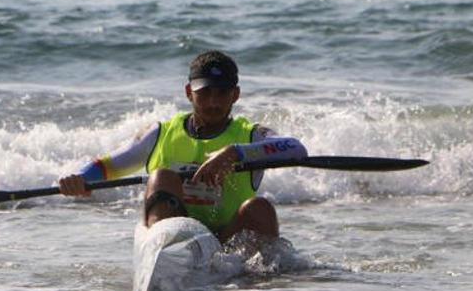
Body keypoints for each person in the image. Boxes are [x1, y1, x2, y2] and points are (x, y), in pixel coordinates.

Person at [58, 51, 308, 244]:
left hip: (230, 245)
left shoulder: (251, 135)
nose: (213, 102)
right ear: (189, 93)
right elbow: (108, 166)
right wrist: (80, 178)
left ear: (236, 95)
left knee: (259, 208)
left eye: (222, 93)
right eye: (204, 93)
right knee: (161, 178)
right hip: (176, 244)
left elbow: (296, 149)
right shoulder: (160, 134)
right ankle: (161, 258)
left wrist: (234, 153)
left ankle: (261, 285)